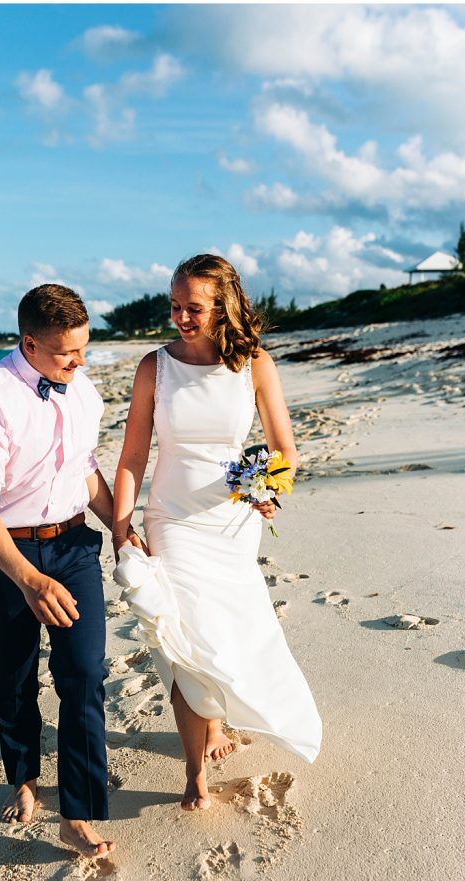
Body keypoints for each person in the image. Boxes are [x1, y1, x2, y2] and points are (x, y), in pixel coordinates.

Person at [112, 254, 322, 811]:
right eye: (175, 305)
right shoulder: (153, 368)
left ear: (223, 305)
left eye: (194, 308)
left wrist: (271, 489)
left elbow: (284, 450)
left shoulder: (255, 364)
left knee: (223, 629)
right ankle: (194, 773)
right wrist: (121, 524)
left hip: (232, 520)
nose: (181, 316)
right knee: (185, 636)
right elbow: (133, 455)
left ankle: (217, 722)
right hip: (172, 517)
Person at [0, 283, 135, 857]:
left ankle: (78, 812)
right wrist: (28, 580)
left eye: (84, 349)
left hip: (75, 545)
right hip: (7, 554)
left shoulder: (83, 392)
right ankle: (24, 777)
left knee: (84, 671)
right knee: (14, 671)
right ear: (29, 343)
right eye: (66, 354)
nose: (79, 363)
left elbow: (84, 468)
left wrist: (121, 525)